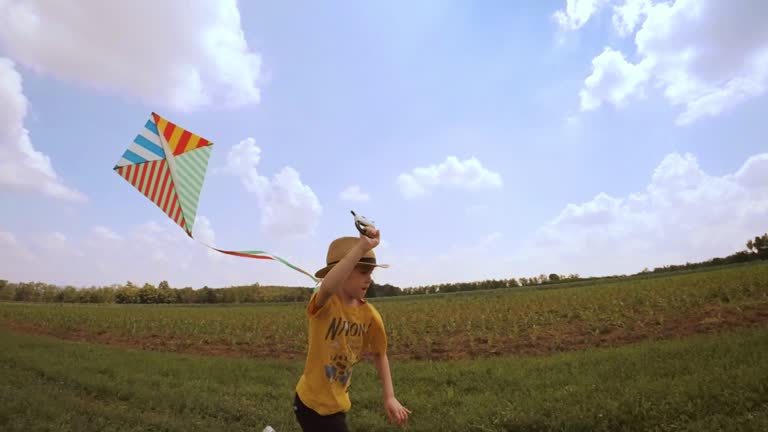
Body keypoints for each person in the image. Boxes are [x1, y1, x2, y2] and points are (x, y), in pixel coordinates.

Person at [293, 227, 411, 431]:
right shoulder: (324, 304)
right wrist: (362, 247)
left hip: (338, 402)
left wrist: (390, 396)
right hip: (311, 403)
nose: (370, 278)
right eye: (363, 271)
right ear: (341, 272)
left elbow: (379, 353)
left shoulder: (370, 315)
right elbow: (328, 287)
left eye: (371, 272)